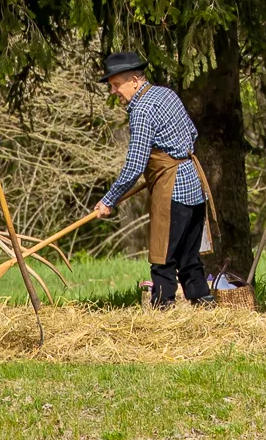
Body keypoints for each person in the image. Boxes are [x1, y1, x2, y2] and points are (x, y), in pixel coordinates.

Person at [89, 51, 214, 307]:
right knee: (189, 255)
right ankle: (203, 303)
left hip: (173, 189)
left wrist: (109, 200)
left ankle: (162, 309)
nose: (114, 91)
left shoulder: (142, 110)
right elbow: (192, 132)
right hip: (194, 183)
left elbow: (135, 164)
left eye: (116, 85)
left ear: (134, 80)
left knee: (163, 256)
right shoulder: (166, 94)